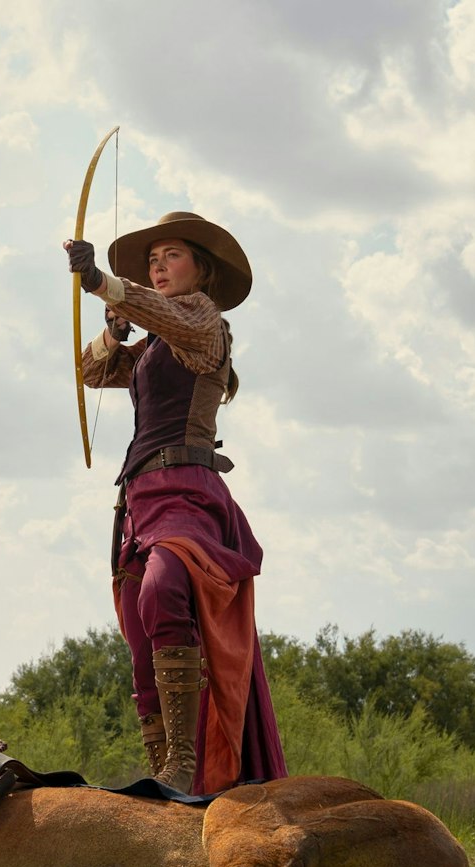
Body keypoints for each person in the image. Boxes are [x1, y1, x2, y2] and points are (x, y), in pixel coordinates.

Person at [63, 212, 287, 795]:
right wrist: (113, 329)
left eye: (171, 257)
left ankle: (186, 760)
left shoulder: (203, 325)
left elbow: (161, 311)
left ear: (201, 270)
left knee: (165, 586)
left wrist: (102, 285)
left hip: (188, 490)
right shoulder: (158, 346)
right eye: (153, 259)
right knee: (141, 624)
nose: (159, 267)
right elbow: (89, 372)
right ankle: (162, 760)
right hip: (140, 498)